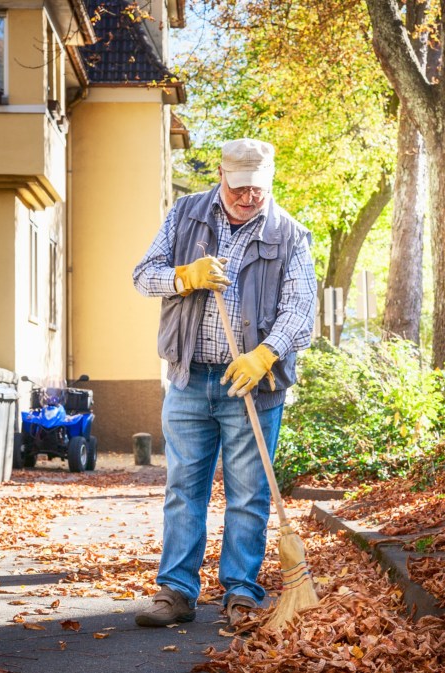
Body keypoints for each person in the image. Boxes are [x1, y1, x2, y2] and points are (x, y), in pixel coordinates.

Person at [131, 138, 316, 629]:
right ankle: (175, 592)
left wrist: (266, 353)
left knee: (249, 494)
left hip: (252, 387)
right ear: (221, 175)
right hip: (189, 378)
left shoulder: (290, 234)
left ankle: (241, 592)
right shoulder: (187, 215)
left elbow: (301, 311)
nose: (248, 197)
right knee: (183, 490)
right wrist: (184, 276)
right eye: (239, 187)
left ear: (269, 182)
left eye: (257, 188)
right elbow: (142, 277)